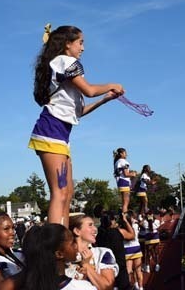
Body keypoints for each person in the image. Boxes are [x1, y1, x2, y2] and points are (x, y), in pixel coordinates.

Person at [28, 24, 124, 228]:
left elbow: (78, 112)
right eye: (80, 42)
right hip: (51, 132)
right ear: (67, 44)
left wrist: (105, 99)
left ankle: (62, 236)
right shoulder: (66, 61)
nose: (83, 48)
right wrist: (112, 85)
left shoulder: (61, 65)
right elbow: (89, 90)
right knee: (60, 192)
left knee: (67, 192)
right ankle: (55, 243)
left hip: (59, 134)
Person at [21, 223, 97, 290]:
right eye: (72, 242)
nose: (76, 245)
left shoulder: (24, 285)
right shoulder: (81, 287)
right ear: (59, 254)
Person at [67, 214, 119, 290]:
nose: (95, 229)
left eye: (94, 225)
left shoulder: (102, 253)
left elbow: (107, 287)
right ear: (77, 231)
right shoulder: (64, 256)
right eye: (90, 225)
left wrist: (86, 264)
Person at [95, 210, 135, 290]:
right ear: (111, 221)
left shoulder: (98, 234)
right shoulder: (118, 232)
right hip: (120, 267)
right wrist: (125, 221)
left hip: (105, 268)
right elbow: (132, 235)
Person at [123, 211, 144, 290]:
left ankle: (132, 286)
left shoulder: (121, 227)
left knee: (128, 271)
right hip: (136, 248)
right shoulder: (135, 225)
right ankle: (141, 287)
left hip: (127, 250)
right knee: (138, 270)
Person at [114, 148, 137, 214]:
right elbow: (126, 174)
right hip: (124, 182)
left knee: (124, 202)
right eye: (125, 153)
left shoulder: (117, 161)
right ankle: (125, 218)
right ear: (121, 154)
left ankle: (124, 217)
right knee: (126, 203)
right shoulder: (124, 161)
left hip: (120, 182)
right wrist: (133, 174)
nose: (126, 154)